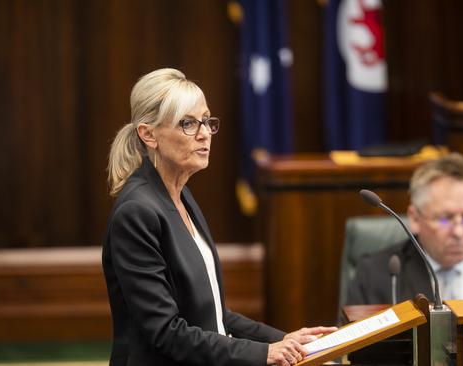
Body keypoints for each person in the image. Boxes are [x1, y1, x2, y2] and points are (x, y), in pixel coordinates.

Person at [102, 68, 335, 366]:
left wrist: (281, 339)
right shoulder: (137, 212)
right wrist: (265, 354)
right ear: (149, 135)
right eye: (187, 123)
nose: (204, 134)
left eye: (206, 121)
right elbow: (165, 331)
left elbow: (212, 315)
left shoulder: (181, 194)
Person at [345, 153, 463, 306]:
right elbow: (354, 351)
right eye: (445, 219)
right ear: (415, 218)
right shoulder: (375, 277)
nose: (459, 232)